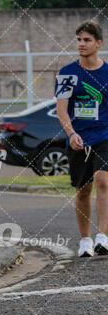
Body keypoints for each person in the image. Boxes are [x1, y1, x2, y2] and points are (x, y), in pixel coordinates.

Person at [55, 20, 108, 257]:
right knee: (82, 190)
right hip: (78, 138)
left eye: (87, 40)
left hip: (105, 135)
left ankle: (103, 237)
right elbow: (61, 109)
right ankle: (85, 240)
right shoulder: (67, 73)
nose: (81, 44)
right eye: (79, 40)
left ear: (99, 43)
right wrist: (71, 133)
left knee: (103, 181)